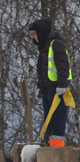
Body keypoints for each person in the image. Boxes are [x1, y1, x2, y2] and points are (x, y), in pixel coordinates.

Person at [29, 19, 73, 147]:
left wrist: (62, 85)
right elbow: (42, 71)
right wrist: (40, 87)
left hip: (57, 91)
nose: (33, 37)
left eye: (34, 34)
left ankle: (57, 151)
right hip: (46, 91)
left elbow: (63, 67)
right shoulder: (43, 49)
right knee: (48, 124)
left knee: (57, 124)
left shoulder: (56, 45)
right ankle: (49, 147)